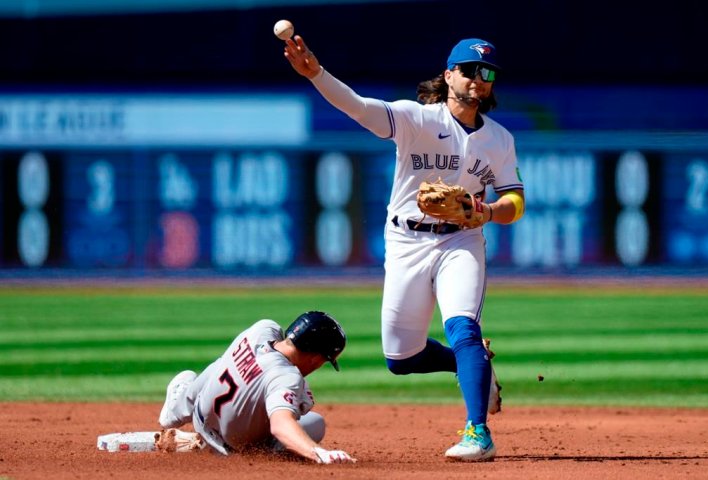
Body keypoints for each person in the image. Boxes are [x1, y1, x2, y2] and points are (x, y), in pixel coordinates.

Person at [283, 36, 525, 461]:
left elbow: (515, 201)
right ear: (448, 75)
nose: (477, 79)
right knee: (400, 357)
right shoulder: (415, 119)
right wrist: (316, 74)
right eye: (468, 70)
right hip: (405, 241)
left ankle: (478, 432)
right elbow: (357, 106)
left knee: (463, 325)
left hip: (461, 240)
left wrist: (485, 212)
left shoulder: (500, 140)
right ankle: (473, 368)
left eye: (486, 73)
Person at [157, 311, 356, 464]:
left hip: (200, 417)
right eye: (324, 360)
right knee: (315, 422)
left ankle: (175, 411)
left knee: (222, 364)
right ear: (315, 357)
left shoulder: (262, 329)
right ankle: (257, 454)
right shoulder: (287, 377)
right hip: (231, 449)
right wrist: (319, 452)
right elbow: (280, 425)